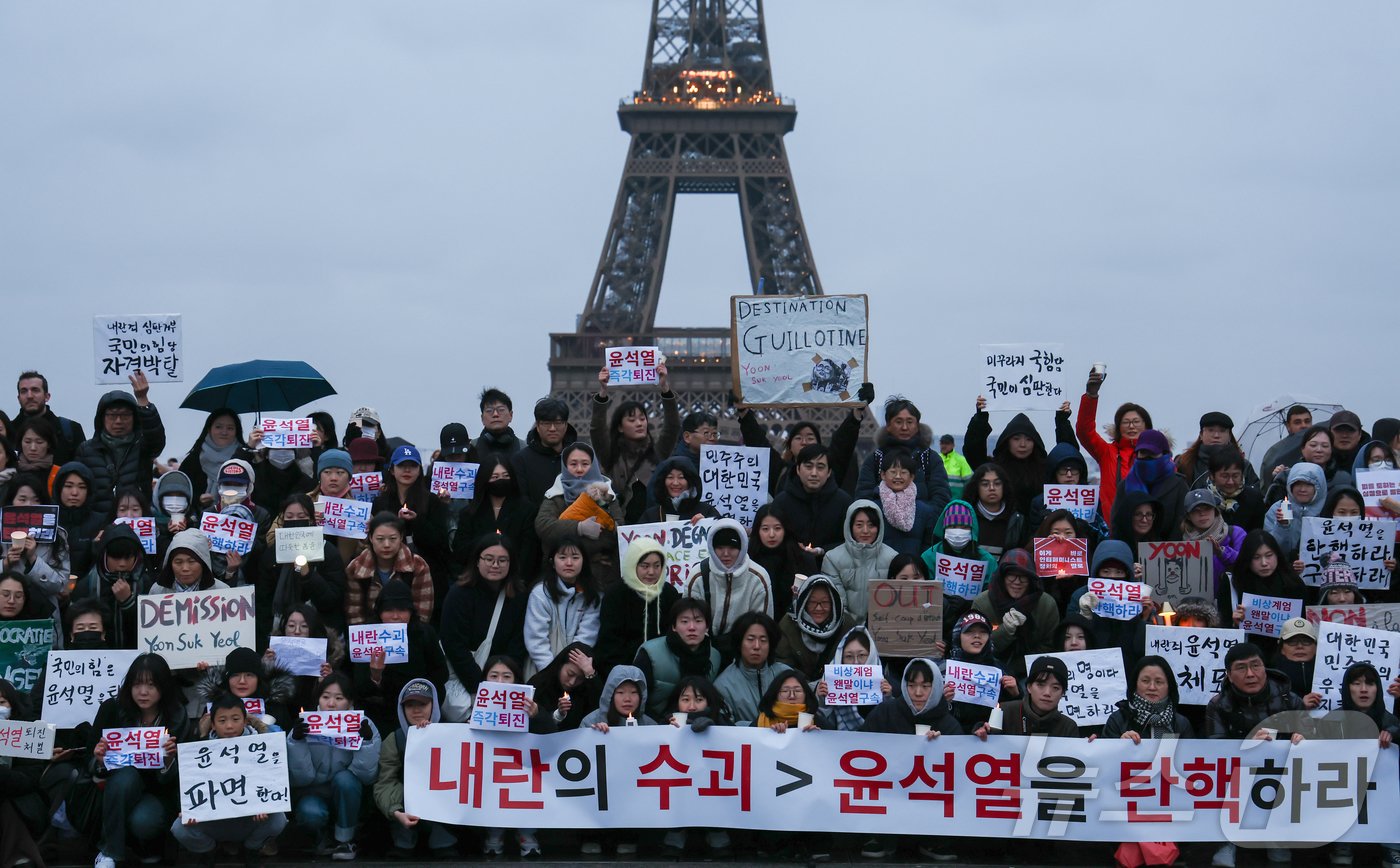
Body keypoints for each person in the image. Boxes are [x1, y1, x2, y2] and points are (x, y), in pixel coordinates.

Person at [1204, 643, 1307, 868]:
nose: (1250, 674)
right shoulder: (1218, 705)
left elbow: (1313, 739)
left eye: (1255, 666)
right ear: (1230, 676)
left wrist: (1304, 738)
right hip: (1238, 777)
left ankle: (1279, 842)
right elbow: (1216, 750)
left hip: (1283, 781)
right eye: (1241, 668)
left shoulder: (1290, 700)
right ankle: (1226, 842)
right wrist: (1246, 745)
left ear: (1265, 667)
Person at [87, 654, 190, 868]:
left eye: (151, 685)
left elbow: (181, 777)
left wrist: (170, 761)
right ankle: (109, 852)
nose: (143, 692)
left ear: (164, 687)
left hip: (157, 793)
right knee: (126, 777)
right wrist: (100, 760)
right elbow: (90, 765)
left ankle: (146, 845)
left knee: (144, 821)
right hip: (115, 788)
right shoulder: (112, 709)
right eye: (137, 684)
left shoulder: (177, 716)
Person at [857, 658, 961, 860]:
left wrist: (941, 747)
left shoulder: (948, 724)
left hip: (927, 798)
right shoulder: (886, 711)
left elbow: (959, 768)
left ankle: (932, 839)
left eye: (926, 686)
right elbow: (860, 747)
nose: (918, 693)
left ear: (937, 686)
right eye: (912, 685)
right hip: (887, 793)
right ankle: (878, 835)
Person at [1098, 655, 1194, 868]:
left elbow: (1191, 769)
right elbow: (1103, 768)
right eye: (1145, 680)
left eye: (1159, 682)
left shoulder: (1181, 723)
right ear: (1135, 684)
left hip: (1169, 811)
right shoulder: (1119, 719)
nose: (1152, 687)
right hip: (1125, 811)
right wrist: (1118, 746)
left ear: (1169, 686)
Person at [170, 692, 288, 866]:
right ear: (213, 725)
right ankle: (207, 850)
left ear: (245, 721)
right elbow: (190, 785)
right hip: (213, 821)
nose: (230, 726)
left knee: (278, 819)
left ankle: (252, 848)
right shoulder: (198, 750)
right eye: (222, 721)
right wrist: (189, 809)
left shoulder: (263, 747)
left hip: (251, 820)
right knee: (180, 827)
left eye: (235, 719)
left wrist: (266, 805)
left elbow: (272, 784)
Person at [286, 672, 381, 861]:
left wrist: (367, 742)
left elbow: (367, 776)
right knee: (310, 812)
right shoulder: (304, 725)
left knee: (345, 779)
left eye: (339, 698)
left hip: (348, 792)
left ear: (350, 702)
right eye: (326, 697)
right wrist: (296, 742)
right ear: (318, 699)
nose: (331, 704)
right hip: (313, 791)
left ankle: (345, 839)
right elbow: (300, 779)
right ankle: (322, 838)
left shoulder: (364, 724)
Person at [373, 678, 457, 859]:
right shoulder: (394, 740)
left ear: (433, 705)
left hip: (442, 806)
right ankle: (404, 838)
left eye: (422, 704)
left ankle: (443, 839)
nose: (416, 710)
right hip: (406, 808)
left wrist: (431, 736)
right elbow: (385, 782)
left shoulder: (452, 735)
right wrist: (396, 811)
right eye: (410, 705)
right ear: (402, 708)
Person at [438, 534, 530, 699]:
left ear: (511, 563)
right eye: (489, 559)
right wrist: (480, 686)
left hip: (505, 681)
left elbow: (519, 643)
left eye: (502, 560)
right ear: (477, 561)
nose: (495, 565)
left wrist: (505, 680)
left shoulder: (519, 596)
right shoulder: (458, 595)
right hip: (467, 680)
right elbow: (453, 644)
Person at [354, 579, 448, 735]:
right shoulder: (367, 637)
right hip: (381, 715)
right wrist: (375, 676)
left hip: (419, 712)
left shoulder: (424, 633)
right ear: (379, 611)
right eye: (389, 610)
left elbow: (440, 675)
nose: (396, 616)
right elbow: (359, 688)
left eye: (402, 610)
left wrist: (419, 696)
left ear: (411, 611)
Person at [589, 361, 680, 523]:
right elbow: (597, 429)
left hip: (654, 529)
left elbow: (672, 427)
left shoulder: (657, 452)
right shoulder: (611, 456)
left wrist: (665, 388)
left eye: (642, 418)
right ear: (620, 427)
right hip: (622, 530)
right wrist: (603, 391)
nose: (639, 423)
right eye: (632, 420)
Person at [963, 397, 1078, 513]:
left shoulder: (1047, 469)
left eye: (1028, 439)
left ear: (1036, 442)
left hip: (1042, 528)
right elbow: (973, 451)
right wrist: (980, 418)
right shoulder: (994, 469)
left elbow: (1069, 455)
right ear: (1007, 441)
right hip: (1004, 528)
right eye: (1016, 439)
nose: (1022, 444)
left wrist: (1062, 421)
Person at [257, 493, 348, 638]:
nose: (295, 521)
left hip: (321, 631)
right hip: (281, 631)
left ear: (312, 520)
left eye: (301, 517)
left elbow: (333, 599)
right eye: (290, 517)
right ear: (282, 520)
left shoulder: (327, 551)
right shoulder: (272, 554)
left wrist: (309, 575)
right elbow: (263, 600)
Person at [74, 376, 166, 518]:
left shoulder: (142, 446)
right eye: (112, 415)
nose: (118, 421)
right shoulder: (86, 450)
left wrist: (142, 399)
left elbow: (156, 440)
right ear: (101, 418)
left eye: (125, 415)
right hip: (96, 524)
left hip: (135, 520)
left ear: (135, 418)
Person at [534, 442, 624, 587]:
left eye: (585, 463)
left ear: (593, 465)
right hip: (561, 578)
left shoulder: (608, 495)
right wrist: (579, 528)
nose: (579, 469)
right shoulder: (555, 494)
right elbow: (543, 526)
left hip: (601, 577)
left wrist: (602, 504)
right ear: (565, 466)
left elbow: (619, 532)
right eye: (573, 464)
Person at [371, 444, 452, 603]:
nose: (407, 471)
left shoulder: (431, 500)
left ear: (419, 470)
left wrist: (417, 521)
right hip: (390, 571)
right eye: (402, 466)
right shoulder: (381, 502)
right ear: (392, 470)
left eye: (412, 466)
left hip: (427, 572)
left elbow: (440, 542)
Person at [596, 537, 680, 674]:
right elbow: (609, 644)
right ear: (632, 565)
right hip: (624, 671)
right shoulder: (615, 594)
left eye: (657, 565)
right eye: (645, 566)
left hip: (663, 671)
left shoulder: (669, 594)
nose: (651, 572)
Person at [1075, 367, 1150, 521]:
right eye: (1126, 422)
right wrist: (1091, 395)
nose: (1131, 426)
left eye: (1136, 422)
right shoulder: (1107, 453)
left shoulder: (1158, 456)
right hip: (1116, 530)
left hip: (1151, 532)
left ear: (1146, 426)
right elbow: (1084, 431)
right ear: (1118, 427)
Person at [856, 396, 952, 515]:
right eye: (899, 422)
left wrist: (923, 520)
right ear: (888, 426)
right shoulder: (875, 459)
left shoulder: (930, 458)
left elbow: (941, 496)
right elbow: (864, 497)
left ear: (917, 426)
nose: (905, 427)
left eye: (910, 422)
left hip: (922, 528)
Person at [684, 518, 773, 644]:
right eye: (720, 547)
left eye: (732, 547)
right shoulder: (697, 575)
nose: (726, 554)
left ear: (742, 546)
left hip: (744, 646)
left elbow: (763, 624)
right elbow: (688, 619)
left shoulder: (758, 577)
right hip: (704, 646)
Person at [971, 549, 1059, 675]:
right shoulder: (982, 603)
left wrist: (1018, 668)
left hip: (1033, 670)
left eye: (1023, 576)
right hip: (989, 669)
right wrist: (1005, 631)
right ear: (1002, 577)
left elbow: (1050, 645)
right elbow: (975, 646)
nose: (1017, 582)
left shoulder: (1047, 604)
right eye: (1011, 575)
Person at [633, 597, 722, 719]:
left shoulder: (715, 657)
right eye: (684, 621)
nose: (692, 627)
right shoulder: (650, 653)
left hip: (701, 725)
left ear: (707, 627)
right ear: (674, 626)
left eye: (698, 621)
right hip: (655, 725)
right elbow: (635, 699)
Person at [449, 455, 539, 573]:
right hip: (476, 578)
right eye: (495, 477)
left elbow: (529, 553)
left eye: (506, 476)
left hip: (515, 579)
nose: (500, 480)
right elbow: (460, 551)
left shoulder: (527, 510)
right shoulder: (470, 513)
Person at [1225, 531, 1309, 654]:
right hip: (1247, 653)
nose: (1264, 563)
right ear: (1247, 558)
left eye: (1269, 555)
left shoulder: (1294, 583)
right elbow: (1222, 625)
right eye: (1256, 557)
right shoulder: (1233, 582)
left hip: (1287, 655)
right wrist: (1234, 623)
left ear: (1277, 555)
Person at [524, 540, 602, 673]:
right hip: (541, 670)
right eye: (562, 557)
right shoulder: (540, 593)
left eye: (575, 557)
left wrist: (570, 668)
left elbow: (587, 635)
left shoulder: (593, 594)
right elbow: (536, 640)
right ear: (552, 562)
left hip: (577, 669)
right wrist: (552, 673)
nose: (569, 563)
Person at [344, 513, 434, 625]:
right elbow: (354, 613)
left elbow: (423, 610)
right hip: (370, 635)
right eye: (380, 539)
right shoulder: (356, 567)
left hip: (409, 632)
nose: (386, 545)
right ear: (371, 538)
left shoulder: (418, 565)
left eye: (392, 539)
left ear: (401, 537)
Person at [820, 500, 896, 623]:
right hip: (843, 627)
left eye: (871, 525)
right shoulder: (832, 558)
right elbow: (835, 601)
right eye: (859, 525)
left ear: (879, 527)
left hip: (881, 627)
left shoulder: (892, 558)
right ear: (850, 526)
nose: (865, 531)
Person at [771, 443, 855, 551]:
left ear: (829, 472)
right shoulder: (781, 502)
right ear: (798, 469)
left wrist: (823, 550)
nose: (814, 473)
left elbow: (852, 541)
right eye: (808, 466)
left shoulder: (844, 502)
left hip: (831, 565)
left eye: (820, 467)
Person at [195, 645, 297, 733]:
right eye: (235, 675)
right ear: (227, 679)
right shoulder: (214, 707)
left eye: (249, 675)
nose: (242, 681)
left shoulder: (275, 707)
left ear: (258, 679)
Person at [713, 612, 791, 727]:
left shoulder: (786, 675)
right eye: (750, 639)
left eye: (763, 640)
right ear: (739, 643)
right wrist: (760, 725)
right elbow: (725, 727)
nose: (757, 646)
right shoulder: (723, 685)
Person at [974, 655, 1078, 738]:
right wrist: (980, 731)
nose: (1047, 693)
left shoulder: (1068, 727)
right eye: (1041, 685)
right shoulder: (1004, 711)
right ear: (1029, 687)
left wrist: (1088, 747)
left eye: (1055, 688)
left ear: (1063, 693)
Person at [775, 575, 854, 680]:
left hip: (837, 689)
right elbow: (782, 665)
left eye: (825, 602)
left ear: (834, 602)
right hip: (800, 690)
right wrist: (811, 687)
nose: (819, 608)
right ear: (804, 602)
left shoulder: (847, 625)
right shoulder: (789, 624)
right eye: (812, 602)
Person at [746, 504, 817, 622]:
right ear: (757, 530)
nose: (772, 534)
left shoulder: (803, 559)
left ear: (785, 529)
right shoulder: (748, 559)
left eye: (777, 528)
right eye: (765, 529)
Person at [1112, 429, 1186, 536]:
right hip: (1133, 549)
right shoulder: (1125, 485)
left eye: (1152, 454)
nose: (1147, 457)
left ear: (1164, 454)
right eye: (1143, 453)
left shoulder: (1178, 485)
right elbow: (1117, 524)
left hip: (1169, 549)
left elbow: (1181, 524)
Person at [816, 625, 891, 731]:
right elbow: (822, 725)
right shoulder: (829, 684)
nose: (856, 662)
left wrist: (888, 699)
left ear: (871, 655)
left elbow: (892, 724)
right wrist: (823, 701)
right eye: (849, 656)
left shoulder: (885, 684)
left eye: (861, 655)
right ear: (841, 658)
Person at [178, 408, 255, 502]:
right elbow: (180, 491)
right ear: (209, 429)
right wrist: (198, 499)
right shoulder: (194, 459)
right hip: (200, 515)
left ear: (237, 431)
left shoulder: (248, 456)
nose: (224, 432)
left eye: (230, 428)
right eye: (218, 427)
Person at [510, 397, 577, 506]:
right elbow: (520, 501)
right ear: (537, 425)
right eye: (546, 423)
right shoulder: (521, 460)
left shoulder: (581, 458)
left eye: (558, 422)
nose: (552, 428)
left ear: (566, 424)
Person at [13, 370, 86, 465]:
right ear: (18, 398)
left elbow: (82, 472)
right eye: (24, 391)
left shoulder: (70, 430)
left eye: (35, 390)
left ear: (47, 396)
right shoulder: (8, 432)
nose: (29, 396)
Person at [1264, 424, 1351, 504]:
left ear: (1331, 449)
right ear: (1303, 448)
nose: (1319, 450)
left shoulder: (1343, 479)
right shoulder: (1286, 477)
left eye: (1325, 446)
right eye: (1313, 445)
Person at [874, 447, 937, 556]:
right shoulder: (872, 508)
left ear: (912, 476)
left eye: (903, 472)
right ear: (883, 475)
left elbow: (928, 546)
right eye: (893, 472)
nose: (898, 476)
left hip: (914, 569)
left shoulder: (925, 511)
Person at [527, 642, 603, 732]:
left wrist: (590, 674)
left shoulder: (586, 691)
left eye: (580, 678)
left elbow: (600, 709)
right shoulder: (540, 684)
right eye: (570, 674)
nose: (572, 682)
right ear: (560, 665)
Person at [1175, 411, 1260, 490]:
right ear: (1201, 434)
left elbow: (1255, 495)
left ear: (1229, 435)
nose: (1216, 435)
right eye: (1210, 430)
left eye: (1222, 431)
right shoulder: (1185, 463)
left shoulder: (1243, 465)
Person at [1181, 489, 1246, 590]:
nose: (1202, 514)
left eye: (1207, 508)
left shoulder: (1236, 533)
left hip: (1228, 601)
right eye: (1195, 510)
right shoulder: (1181, 544)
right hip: (1196, 602)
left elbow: (1246, 565)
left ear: (1215, 510)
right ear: (1188, 516)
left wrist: (1222, 553)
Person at [1263, 462, 1328, 557]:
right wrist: (1282, 526)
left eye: (1308, 484)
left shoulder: (1327, 509)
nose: (1302, 489)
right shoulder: (1278, 508)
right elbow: (1269, 549)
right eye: (1298, 484)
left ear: (1319, 487)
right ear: (1290, 486)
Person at [961, 463, 1026, 559]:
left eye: (997, 483)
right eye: (985, 484)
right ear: (976, 487)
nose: (992, 488)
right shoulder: (966, 517)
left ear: (1004, 486)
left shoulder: (1016, 520)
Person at [636, 455, 718, 524]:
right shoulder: (651, 515)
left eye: (681, 477)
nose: (675, 483)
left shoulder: (707, 511)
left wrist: (707, 524)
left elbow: (724, 537)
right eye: (670, 477)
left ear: (690, 481)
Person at [1201, 448, 1266, 533]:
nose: (1230, 482)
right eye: (1225, 476)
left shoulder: (1254, 498)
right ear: (1212, 476)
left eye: (1235, 476)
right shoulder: (1203, 500)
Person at [148, 527, 226, 595]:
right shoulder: (157, 591)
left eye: (191, 561)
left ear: (203, 562)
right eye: (178, 562)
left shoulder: (222, 591)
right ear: (170, 563)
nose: (185, 568)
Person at [754, 671, 826, 731]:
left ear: (806, 694)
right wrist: (772, 736)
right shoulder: (762, 721)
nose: (792, 696)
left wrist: (817, 737)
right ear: (775, 694)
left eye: (797, 691)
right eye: (785, 691)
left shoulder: (818, 722)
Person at [474, 387, 522, 465]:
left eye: (501, 410)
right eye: (489, 411)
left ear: (511, 415)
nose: (495, 414)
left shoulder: (523, 448)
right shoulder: (472, 448)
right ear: (482, 418)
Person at [937, 433, 973, 499]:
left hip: (956, 500)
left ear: (953, 445)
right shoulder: (936, 458)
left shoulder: (961, 460)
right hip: (939, 500)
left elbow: (969, 482)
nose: (944, 446)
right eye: (942, 443)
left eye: (947, 443)